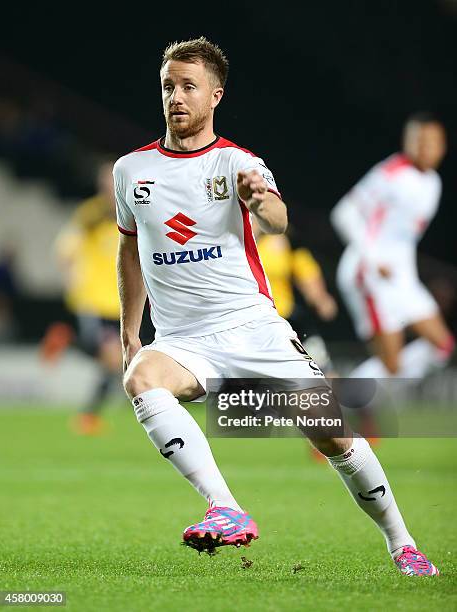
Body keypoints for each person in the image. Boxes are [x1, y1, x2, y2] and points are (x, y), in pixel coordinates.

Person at [114, 38, 438, 575]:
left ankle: (402, 542)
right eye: (169, 85)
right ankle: (226, 509)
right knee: (141, 378)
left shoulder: (237, 162)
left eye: (189, 86)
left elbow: (277, 221)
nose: (176, 96)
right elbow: (129, 249)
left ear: (215, 95)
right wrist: (131, 331)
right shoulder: (131, 170)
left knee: (334, 435)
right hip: (183, 339)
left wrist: (258, 198)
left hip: (252, 328)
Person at [331, 113, 455, 380]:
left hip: (402, 278)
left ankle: (352, 391)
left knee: (443, 347)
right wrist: (374, 259)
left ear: (443, 146)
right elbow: (343, 213)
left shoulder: (434, 183)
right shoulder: (390, 173)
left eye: (432, 142)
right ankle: (341, 397)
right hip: (369, 273)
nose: (426, 148)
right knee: (392, 366)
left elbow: (402, 239)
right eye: (419, 141)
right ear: (407, 142)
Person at [53, 160, 123, 434]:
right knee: (113, 359)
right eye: (106, 183)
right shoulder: (90, 214)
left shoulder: (132, 212)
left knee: (121, 361)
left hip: (120, 303)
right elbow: (64, 248)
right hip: (94, 300)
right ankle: (89, 415)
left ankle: (66, 339)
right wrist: (73, 276)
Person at [253, 221, 337, 374]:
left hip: (286, 319)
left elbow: (304, 267)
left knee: (321, 369)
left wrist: (320, 297)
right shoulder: (229, 244)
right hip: (250, 325)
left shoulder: (281, 240)